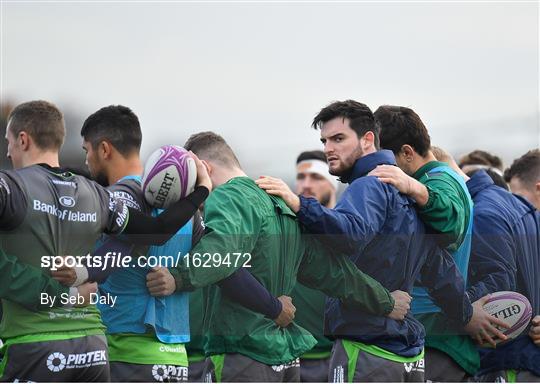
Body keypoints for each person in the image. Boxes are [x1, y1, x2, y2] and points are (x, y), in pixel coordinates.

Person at [256, 100, 507, 382]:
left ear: (367, 140)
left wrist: (298, 204)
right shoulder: (406, 190)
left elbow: (350, 234)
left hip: (367, 349)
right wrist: (464, 313)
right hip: (407, 354)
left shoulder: (370, 184)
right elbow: (441, 272)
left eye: (338, 139)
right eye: (324, 140)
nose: (328, 149)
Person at [150, 131, 411, 382]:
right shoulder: (281, 204)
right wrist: (385, 301)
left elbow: (222, 250)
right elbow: (334, 271)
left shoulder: (228, 196)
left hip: (242, 353)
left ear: (204, 169)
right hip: (284, 357)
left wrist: (178, 277)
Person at [0, 100, 210, 382]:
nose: (7, 151)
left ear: (22, 140)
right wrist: (201, 193)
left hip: (78, 348)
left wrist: (75, 284)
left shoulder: (16, 188)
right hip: (119, 351)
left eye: (87, 151)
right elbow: (163, 235)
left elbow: (110, 257)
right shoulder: (99, 196)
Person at [369, 105, 477, 381]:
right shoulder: (443, 177)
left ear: (407, 152)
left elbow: (451, 222)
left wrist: (416, 189)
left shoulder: (438, 181)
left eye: (385, 159)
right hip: (430, 330)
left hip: (432, 333)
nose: (382, 168)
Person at [433, 147, 540, 382]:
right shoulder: (519, 208)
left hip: (506, 361)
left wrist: (454, 311)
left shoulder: (483, 213)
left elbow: (498, 283)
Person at [292, 150, 338, 382]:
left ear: (332, 184)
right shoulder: (285, 231)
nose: (306, 185)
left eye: (316, 177)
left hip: (338, 356)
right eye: (301, 177)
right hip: (292, 359)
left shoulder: (354, 232)